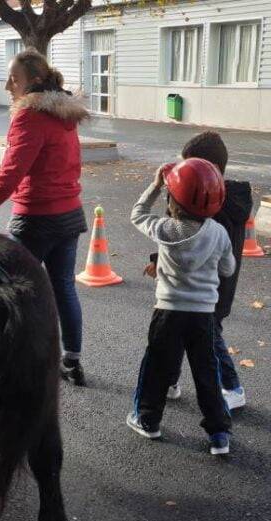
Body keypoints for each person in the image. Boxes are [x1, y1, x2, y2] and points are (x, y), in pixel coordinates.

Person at [0, 49, 89, 386]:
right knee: (62, 286)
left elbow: (9, 176)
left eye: (14, 79)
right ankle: (72, 360)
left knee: (6, 288)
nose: (8, 85)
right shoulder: (64, 115)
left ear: (33, 81)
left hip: (36, 217)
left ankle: (7, 363)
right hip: (69, 215)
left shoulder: (29, 116)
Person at [126, 158, 234, 455]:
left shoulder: (164, 229)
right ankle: (219, 434)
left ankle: (147, 420)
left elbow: (137, 214)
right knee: (206, 372)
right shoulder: (219, 233)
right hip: (203, 316)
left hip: (168, 312)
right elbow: (228, 269)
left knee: (157, 367)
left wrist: (156, 184)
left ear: (174, 198)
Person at [151, 132, 253, 409]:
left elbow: (180, 235)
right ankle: (170, 381)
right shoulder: (222, 199)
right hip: (205, 286)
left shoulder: (210, 205)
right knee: (177, 333)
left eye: (190, 167)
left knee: (209, 337)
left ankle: (232, 388)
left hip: (206, 289)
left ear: (211, 171)